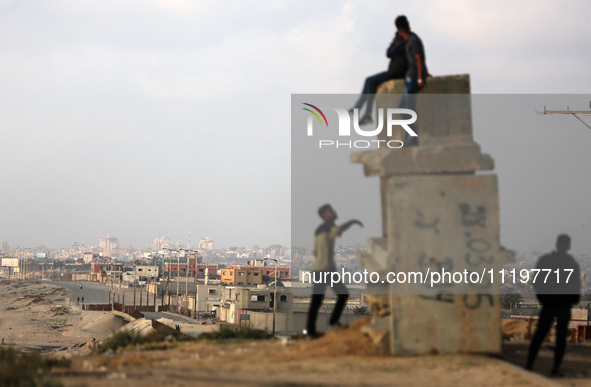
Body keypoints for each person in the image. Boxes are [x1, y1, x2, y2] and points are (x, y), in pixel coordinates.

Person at [525, 234, 581, 377]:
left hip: (549, 304)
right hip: (563, 305)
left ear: (557, 245)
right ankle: (555, 369)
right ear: (568, 246)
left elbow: (536, 282)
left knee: (539, 336)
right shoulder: (570, 263)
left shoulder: (546, 261)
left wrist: (543, 299)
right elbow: (575, 286)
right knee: (560, 339)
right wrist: (571, 301)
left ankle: (529, 366)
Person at [306, 204, 363, 339]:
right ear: (325, 215)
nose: (334, 212)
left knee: (320, 300)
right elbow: (340, 229)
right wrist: (353, 221)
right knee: (339, 295)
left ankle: (313, 330)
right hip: (324, 270)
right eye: (331, 210)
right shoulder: (327, 227)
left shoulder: (319, 229)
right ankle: (327, 325)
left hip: (322, 269)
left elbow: (315, 252)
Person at [350, 24, 409, 126]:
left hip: (397, 73)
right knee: (369, 82)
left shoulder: (402, 42)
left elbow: (388, 53)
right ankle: (358, 110)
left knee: (370, 81)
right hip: (395, 72)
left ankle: (363, 112)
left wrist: (393, 42)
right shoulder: (405, 42)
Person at [395, 15, 428, 147]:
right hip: (410, 79)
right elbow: (419, 59)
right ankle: (410, 137)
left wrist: (421, 78)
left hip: (414, 79)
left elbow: (419, 59)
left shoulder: (413, 40)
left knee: (408, 109)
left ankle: (412, 139)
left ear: (398, 29)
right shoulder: (410, 39)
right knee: (402, 107)